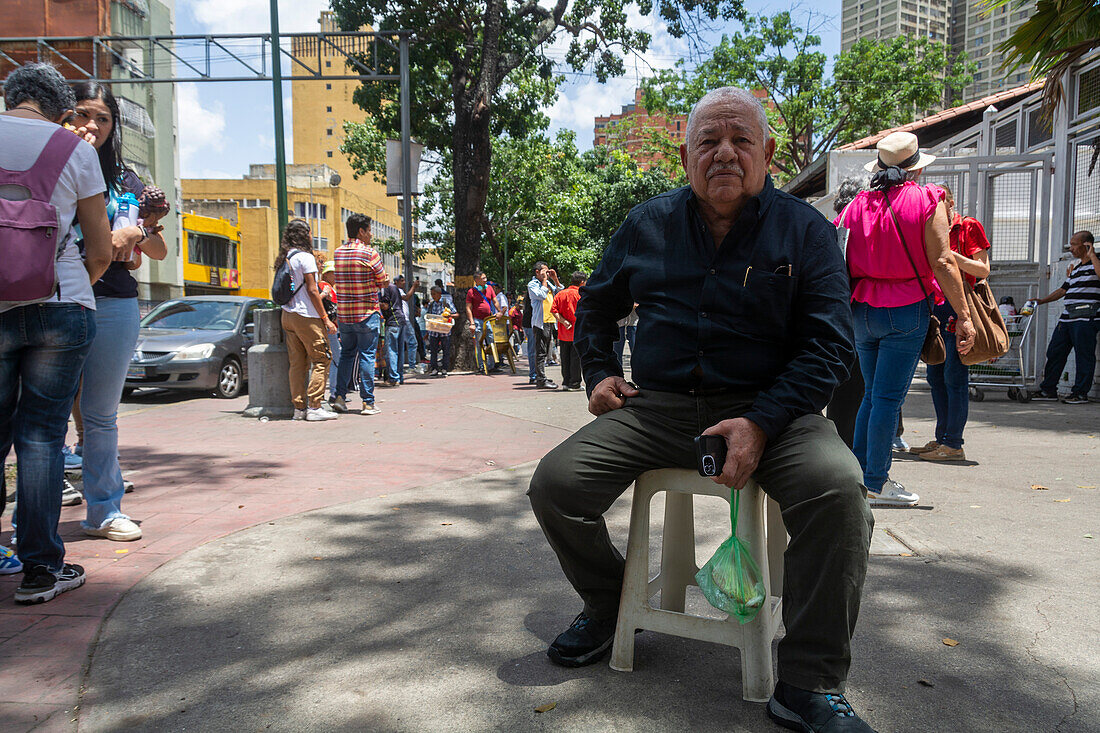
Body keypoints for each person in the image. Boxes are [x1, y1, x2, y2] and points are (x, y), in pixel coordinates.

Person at [528, 87, 877, 732]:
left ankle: (806, 679)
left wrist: (763, 421)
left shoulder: (807, 232)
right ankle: (608, 604)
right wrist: (601, 372)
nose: (724, 153)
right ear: (685, 156)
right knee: (556, 484)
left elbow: (829, 346)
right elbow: (597, 307)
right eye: (708, 142)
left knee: (839, 490)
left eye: (741, 141)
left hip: (775, 409)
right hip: (659, 408)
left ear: (768, 154)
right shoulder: (647, 224)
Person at [0, 62, 112, 602]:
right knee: (41, 435)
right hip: (61, 303)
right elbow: (101, 246)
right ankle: (41, 569)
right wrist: (79, 281)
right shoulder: (75, 150)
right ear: (63, 110)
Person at [838, 131, 975, 507]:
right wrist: (964, 315)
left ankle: (860, 477)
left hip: (861, 310)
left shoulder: (856, 205)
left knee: (871, 396)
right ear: (915, 167)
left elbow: (839, 259)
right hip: (906, 308)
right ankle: (875, 482)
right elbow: (944, 260)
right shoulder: (927, 200)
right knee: (885, 398)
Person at [69, 81, 169, 543]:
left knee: (102, 415)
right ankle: (33, 518)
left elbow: (157, 251)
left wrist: (142, 228)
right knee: (42, 415)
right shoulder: (54, 163)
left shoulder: (126, 180)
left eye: (102, 118)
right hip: (59, 297)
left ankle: (104, 510)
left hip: (115, 300)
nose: (92, 126)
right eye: (82, 115)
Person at [910, 184, 991, 461]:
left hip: (961, 307)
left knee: (954, 377)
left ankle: (954, 443)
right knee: (935, 375)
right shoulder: (930, 229)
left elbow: (983, 269)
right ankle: (942, 437)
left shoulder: (967, 226)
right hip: (938, 309)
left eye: (938, 203)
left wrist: (947, 254)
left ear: (951, 203)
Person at [275, 220, 337, 421]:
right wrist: (325, 318)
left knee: (297, 363)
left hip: (288, 315)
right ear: (306, 235)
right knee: (322, 359)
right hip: (307, 317)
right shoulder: (305, 257)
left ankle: (299, 408)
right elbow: (311, 290)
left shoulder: (286, 257)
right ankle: (315, 406)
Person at [1029, 231, 1099, 404]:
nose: (1071, 248)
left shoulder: (1096, 264)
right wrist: (1042, 300)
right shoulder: (1076, 269)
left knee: (1084, 355)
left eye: (1075, 244)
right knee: (1055, 352)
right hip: (1068, 318)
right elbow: (1062, 290)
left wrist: (1093, 255)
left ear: (1087, 245)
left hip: (1086, 317)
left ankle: (1080, 393)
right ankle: (1048, 390)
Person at [331, 213, 387, 415]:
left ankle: (339, 397)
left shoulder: (338, 253)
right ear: (361, 231)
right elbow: (382, 281)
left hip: (345, 314)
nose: (371, 234)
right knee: (366, 355)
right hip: (366, 312)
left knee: (347, 355)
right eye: (370, 230)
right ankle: (368, 402)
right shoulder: (369, 253)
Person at [527, 262, 561, 389]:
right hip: (540, 323)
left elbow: (560, 292)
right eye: (544, 271)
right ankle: (540, 379)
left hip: (551, 321)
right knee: (540, 352)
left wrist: (555, 279)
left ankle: (542, 377)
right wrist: (545, 280)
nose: (546, 274)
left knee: (546, 351)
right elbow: (541, 295)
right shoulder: (533, 284)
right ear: (537, 272)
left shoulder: (547, 283)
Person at [551, 272, 586, 391]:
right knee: (576, 359)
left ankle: (566, 382)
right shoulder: (581, 294)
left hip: (563, 332)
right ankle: (575, 383)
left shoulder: (561, 294)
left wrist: (564, 321)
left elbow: (554, 310)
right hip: (578, 332)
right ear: (582, 282)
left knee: (565, 359)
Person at [315, 253, 341, 405]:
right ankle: (334, 392)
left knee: (329, 360)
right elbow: (320, 301)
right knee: (336, 359)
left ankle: (331, 392)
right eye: (335, 273)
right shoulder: (325, 286)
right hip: (329, 328)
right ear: (328, 274)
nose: (337, 276)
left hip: (328, 327)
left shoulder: (326, 286)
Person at [465, 270, 503, 374]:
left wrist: (499, 311)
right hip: (477, 320)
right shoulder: (471, 292)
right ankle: (481, 366)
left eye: (485, 278)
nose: (485, 280)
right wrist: (472, 323)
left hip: (488, 320)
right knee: (479, 343)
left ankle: (492, 365)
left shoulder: (490, 288)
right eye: (483, 278)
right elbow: (468, 308)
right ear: (477, 280)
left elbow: (495, 301)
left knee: (491, 341)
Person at [379, 278, 407, 386]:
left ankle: (393, 378)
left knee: (391, 351)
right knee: (399, 351)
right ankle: (399, 377)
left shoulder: (385, 288)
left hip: (393, 321)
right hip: (400, 320)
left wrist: (376, 303)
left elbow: (385, 305)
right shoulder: (393, 287)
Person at [394, 274, 421, 376]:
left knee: (402, 344)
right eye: (402, 281)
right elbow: (406, 298)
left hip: (402, 320)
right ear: (396, 282)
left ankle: (403, 367)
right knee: (412, 342)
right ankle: (411, 366)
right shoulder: (397, 291)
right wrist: (413, 287)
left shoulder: (398, 290)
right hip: (403, 320)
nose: (404, 282)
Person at [425, 285, 452, 376]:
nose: (433, 296)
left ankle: (444, 368)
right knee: (433, 351)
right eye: (431, 294)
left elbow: (455, 313)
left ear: (439, 294)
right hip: (434, 331)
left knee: (446, 350)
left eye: (434, 294)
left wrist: (448, 316)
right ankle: (434, 368)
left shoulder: (446, 302)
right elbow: (428, 316)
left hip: (444, 331)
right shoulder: (431, 304)